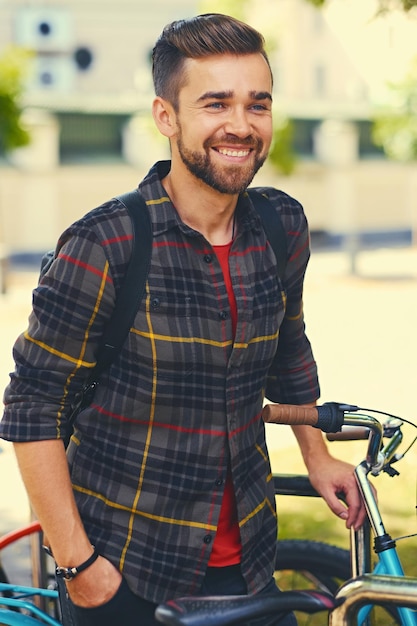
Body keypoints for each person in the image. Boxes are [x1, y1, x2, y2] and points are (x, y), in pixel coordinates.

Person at [0, 13, 366, 626]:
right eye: (216, 103)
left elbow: (289, 350)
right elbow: (31, 408)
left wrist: (318, 454)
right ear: (166, 116)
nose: (241, 126)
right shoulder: (106, 242)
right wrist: (78, 567)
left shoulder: (282, 227)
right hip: (126, 569)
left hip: (249, 562)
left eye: (258, 104)